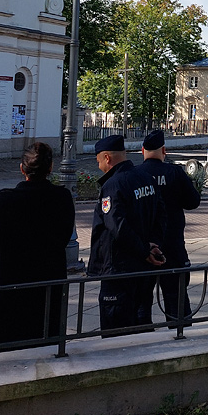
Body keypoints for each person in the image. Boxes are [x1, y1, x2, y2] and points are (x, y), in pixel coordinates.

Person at [0, 142, 75, 350]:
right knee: (46, 346)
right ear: (50, 168)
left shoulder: (4, 200)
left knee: (6, 351)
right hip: (48, 281)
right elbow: (64, 236)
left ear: (22, 169)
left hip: (9, 284)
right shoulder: (62, 198)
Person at [87, 135, 166, 333]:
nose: (99, 167)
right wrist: (152, 245)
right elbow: (161, 216)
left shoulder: (113, 185)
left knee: (116, 331)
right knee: (141, 322)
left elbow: (117, 226)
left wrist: (143, 250)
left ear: (107, 158)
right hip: (144, 268)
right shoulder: (145, 177)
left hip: (119, 269)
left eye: (98, 162)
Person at [139, 130, 201, 326]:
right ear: (164, 150)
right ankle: (180, 336)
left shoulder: (135, 174)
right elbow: (193, 201)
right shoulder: (174, 173)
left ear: (142, 151)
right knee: (177, 300)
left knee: (141, 302)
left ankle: (141, 340)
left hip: (143, 248)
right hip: (173, 246)